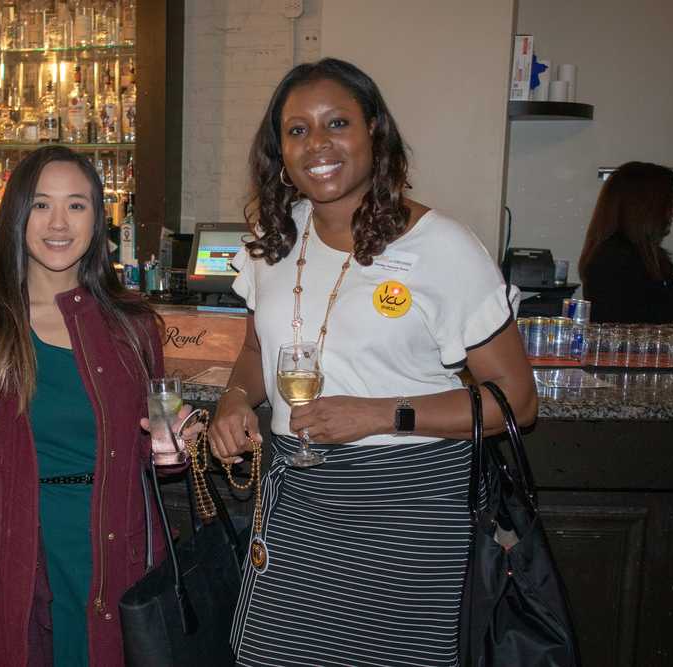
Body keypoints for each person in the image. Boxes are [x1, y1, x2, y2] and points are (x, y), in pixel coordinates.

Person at [208, 58, 537, 667]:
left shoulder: (442, 248)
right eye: (297, 130)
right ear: (278, 152)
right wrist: (235, 399)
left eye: (337, 122)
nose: (318, 144)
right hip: (298, 504)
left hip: (407, 514)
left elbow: (515, 400)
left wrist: (381, 414)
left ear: (375, 132)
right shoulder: (272, 242)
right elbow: (257, 350)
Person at [0, 145, 188, 667]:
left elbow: (149, 448)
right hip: (20, 555)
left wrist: (171, 445)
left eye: (77, 205)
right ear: (17, 215)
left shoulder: (134, 325)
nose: (58, 222)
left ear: (98, 218)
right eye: (41, 205)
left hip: (116, 554)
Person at [578, 161, 673, 325]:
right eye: (667, 204)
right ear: (646, 208)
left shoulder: (637, 254)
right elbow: (654, 329)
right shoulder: (616, 259)